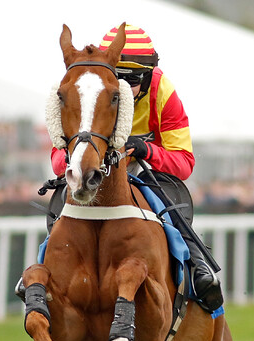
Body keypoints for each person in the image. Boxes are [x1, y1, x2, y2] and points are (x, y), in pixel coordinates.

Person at [50, 24, 223, 313]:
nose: (125, 86)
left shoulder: (164, 93)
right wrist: (80, 159)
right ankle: (45, 267)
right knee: (59, 208)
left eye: (134, 80)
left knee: (170, 204)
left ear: (149, 75)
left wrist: (146, 150)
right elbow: (57, 160)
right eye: (119, 78)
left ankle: (198, 268)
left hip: (146, 173)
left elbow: (184, 162)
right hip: (96, 174)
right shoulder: (88, 88)